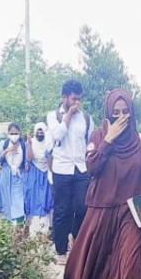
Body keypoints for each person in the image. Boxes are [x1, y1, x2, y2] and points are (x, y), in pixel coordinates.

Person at [63, 89, 141, 279]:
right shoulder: (97, 136)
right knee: (97, 261)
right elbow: (91, 167)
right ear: (107, 114)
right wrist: (109, 139)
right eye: (116, 113)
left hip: (130, 211)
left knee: (129, 262)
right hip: (102, 207)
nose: (121, 117)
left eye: (126, 112)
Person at [47, 79, 94, 262]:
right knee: (62, 210)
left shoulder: (86, 118)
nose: (76, 103)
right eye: (73, 99)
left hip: (81, 168)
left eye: (78, 99)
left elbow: (91, 141)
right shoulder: (53, 116)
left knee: (82, 208)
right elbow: (57, 136)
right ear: (64, 97)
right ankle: (60, 250)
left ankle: (78, 244)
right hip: (62, 168)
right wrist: (68, 116)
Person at [0, 123, 26, 223]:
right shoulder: (4, 144)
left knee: (19, 199)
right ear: (8, 133)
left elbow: (26, 161)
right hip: (6, 175)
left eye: (16, 133)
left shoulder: (23, 144)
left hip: (19, 175)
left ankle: (19, 225)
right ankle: (7, 223)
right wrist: (7, 150)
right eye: (12, 133)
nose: (14, 135)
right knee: (6, 199)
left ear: (19, 133)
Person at [24, 122, 54, 236]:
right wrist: (30, 144)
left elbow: (49, 159)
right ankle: (33, 228)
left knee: (46, 199)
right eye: (38, 131)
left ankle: (46, 228)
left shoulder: (48, 143)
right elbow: (29, 158)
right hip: (34, 173)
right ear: (35, 132)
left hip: (46, 173)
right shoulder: (31, 142)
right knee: (34, 198)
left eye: (42, 131)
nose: (40, 133)